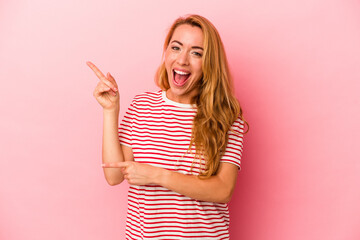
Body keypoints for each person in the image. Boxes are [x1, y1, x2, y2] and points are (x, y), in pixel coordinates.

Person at [87, 14, 248, 240]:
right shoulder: (142, 106)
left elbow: (223, 190)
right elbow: (114, 175)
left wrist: (158, 175)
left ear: (209, 62)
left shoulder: (226, 116)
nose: (182, 60)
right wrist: (110, 110)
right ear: (166, 53)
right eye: (176, 47)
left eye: (196, 53)